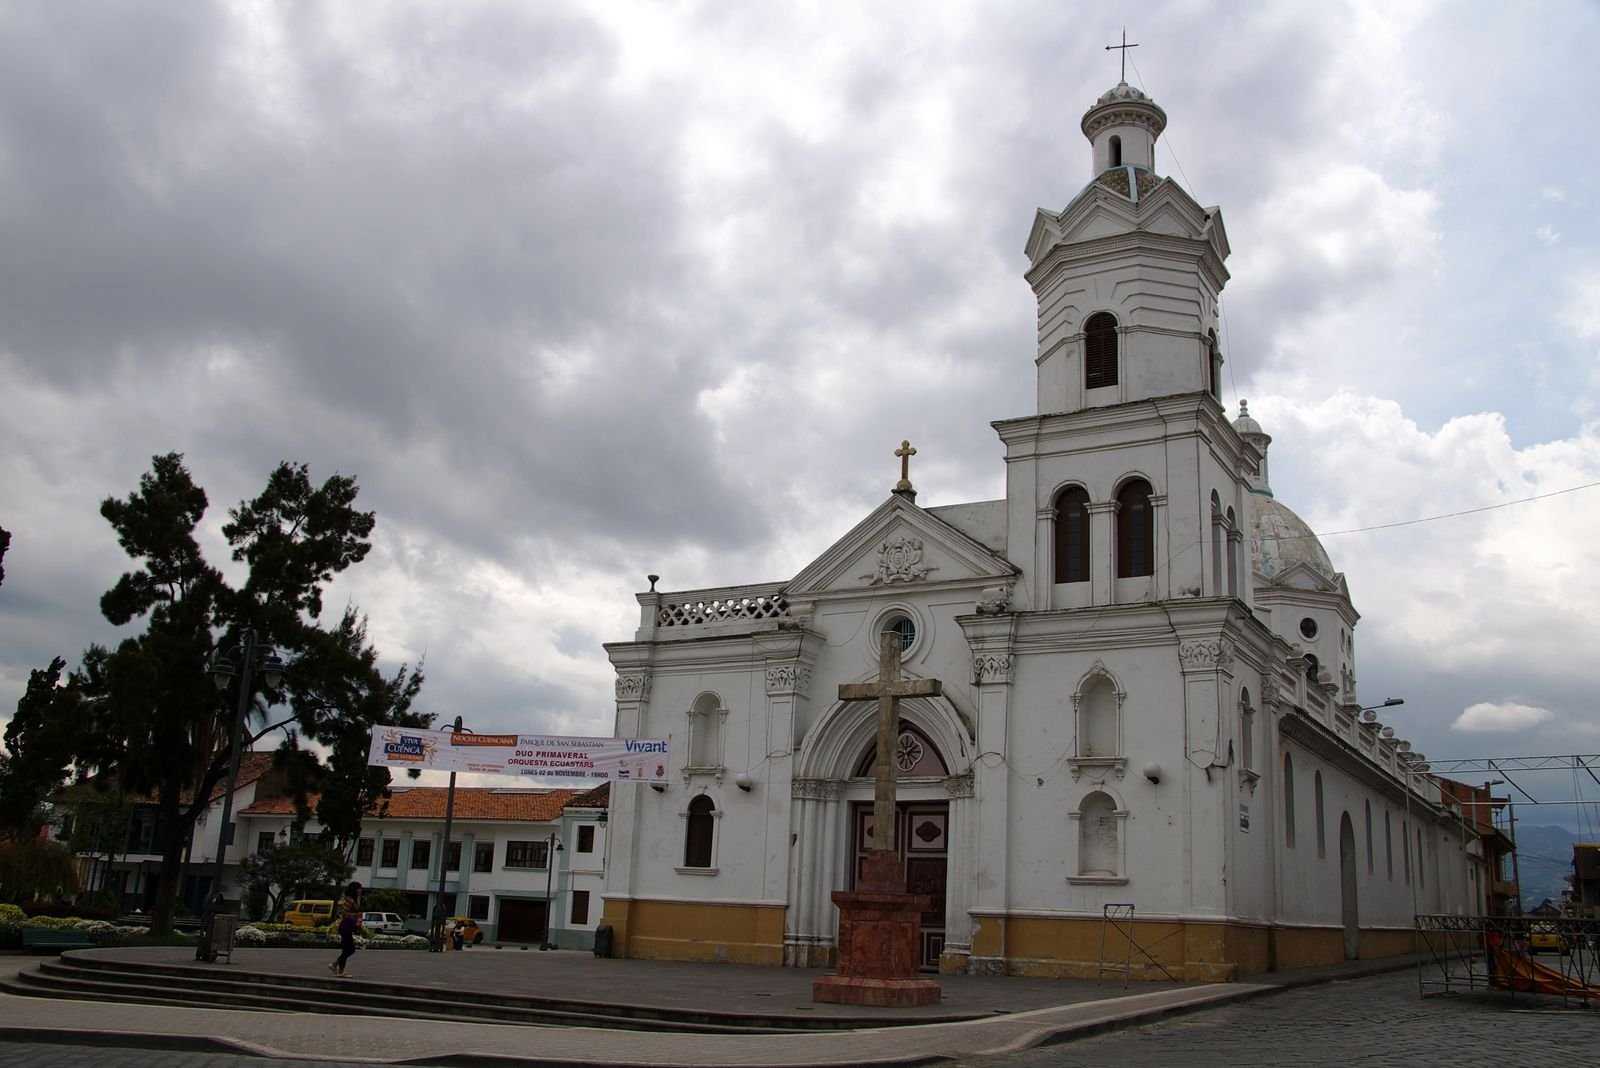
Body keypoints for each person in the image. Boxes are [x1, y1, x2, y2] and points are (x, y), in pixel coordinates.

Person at [328, 881, 363, 977]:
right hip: (345, 927)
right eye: (359, 888)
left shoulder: (354, 900)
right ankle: (338, 968)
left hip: (348, 927)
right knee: (349, 949)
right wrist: (356, 915)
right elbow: (344, 913)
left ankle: (336, 966)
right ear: (354, 890)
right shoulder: (350, 900)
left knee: (348, 949)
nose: (361, 890)